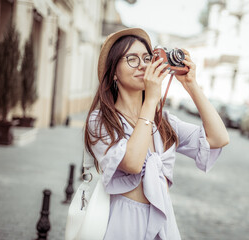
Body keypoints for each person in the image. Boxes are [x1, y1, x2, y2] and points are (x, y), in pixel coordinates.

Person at [84, 28, 229, 240]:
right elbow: (133, 162)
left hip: (163, 225)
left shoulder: (165, 121)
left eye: (147, 58)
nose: (143, 65)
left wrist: (191, 85)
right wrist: (151, 100)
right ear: (114, 72)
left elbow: (218, 139)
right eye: (132, 59)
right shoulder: (100, 121)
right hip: (123, 223)